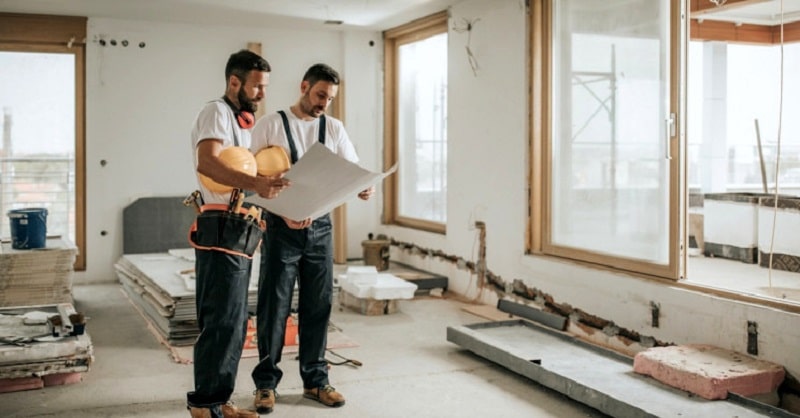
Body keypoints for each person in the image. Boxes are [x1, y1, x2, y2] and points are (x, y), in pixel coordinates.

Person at [249, 63, 374, 414]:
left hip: (320, 230)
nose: (324, 103)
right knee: (274, 307)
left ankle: (316, 381)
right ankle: (265, 385)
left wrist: (364, 187)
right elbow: (249, 175)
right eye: (320, 95)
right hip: (280, 228)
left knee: (318, 305)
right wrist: (279, 211)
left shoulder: (333, 128)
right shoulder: (271, 124)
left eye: (330, 98)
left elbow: (352, 170)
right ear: (304, 87)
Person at [187, 49, 289, 418]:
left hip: (239, 224)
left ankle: (219, 400)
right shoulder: (216, 111)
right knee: (221, 319)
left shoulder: (239, 122)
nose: (262, 94)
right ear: (234, 82)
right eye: (257, 86)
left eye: (265, 87)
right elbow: (208, 162)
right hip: (221, 222)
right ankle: (204, 404)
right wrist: (257, 184)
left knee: (233, 320)